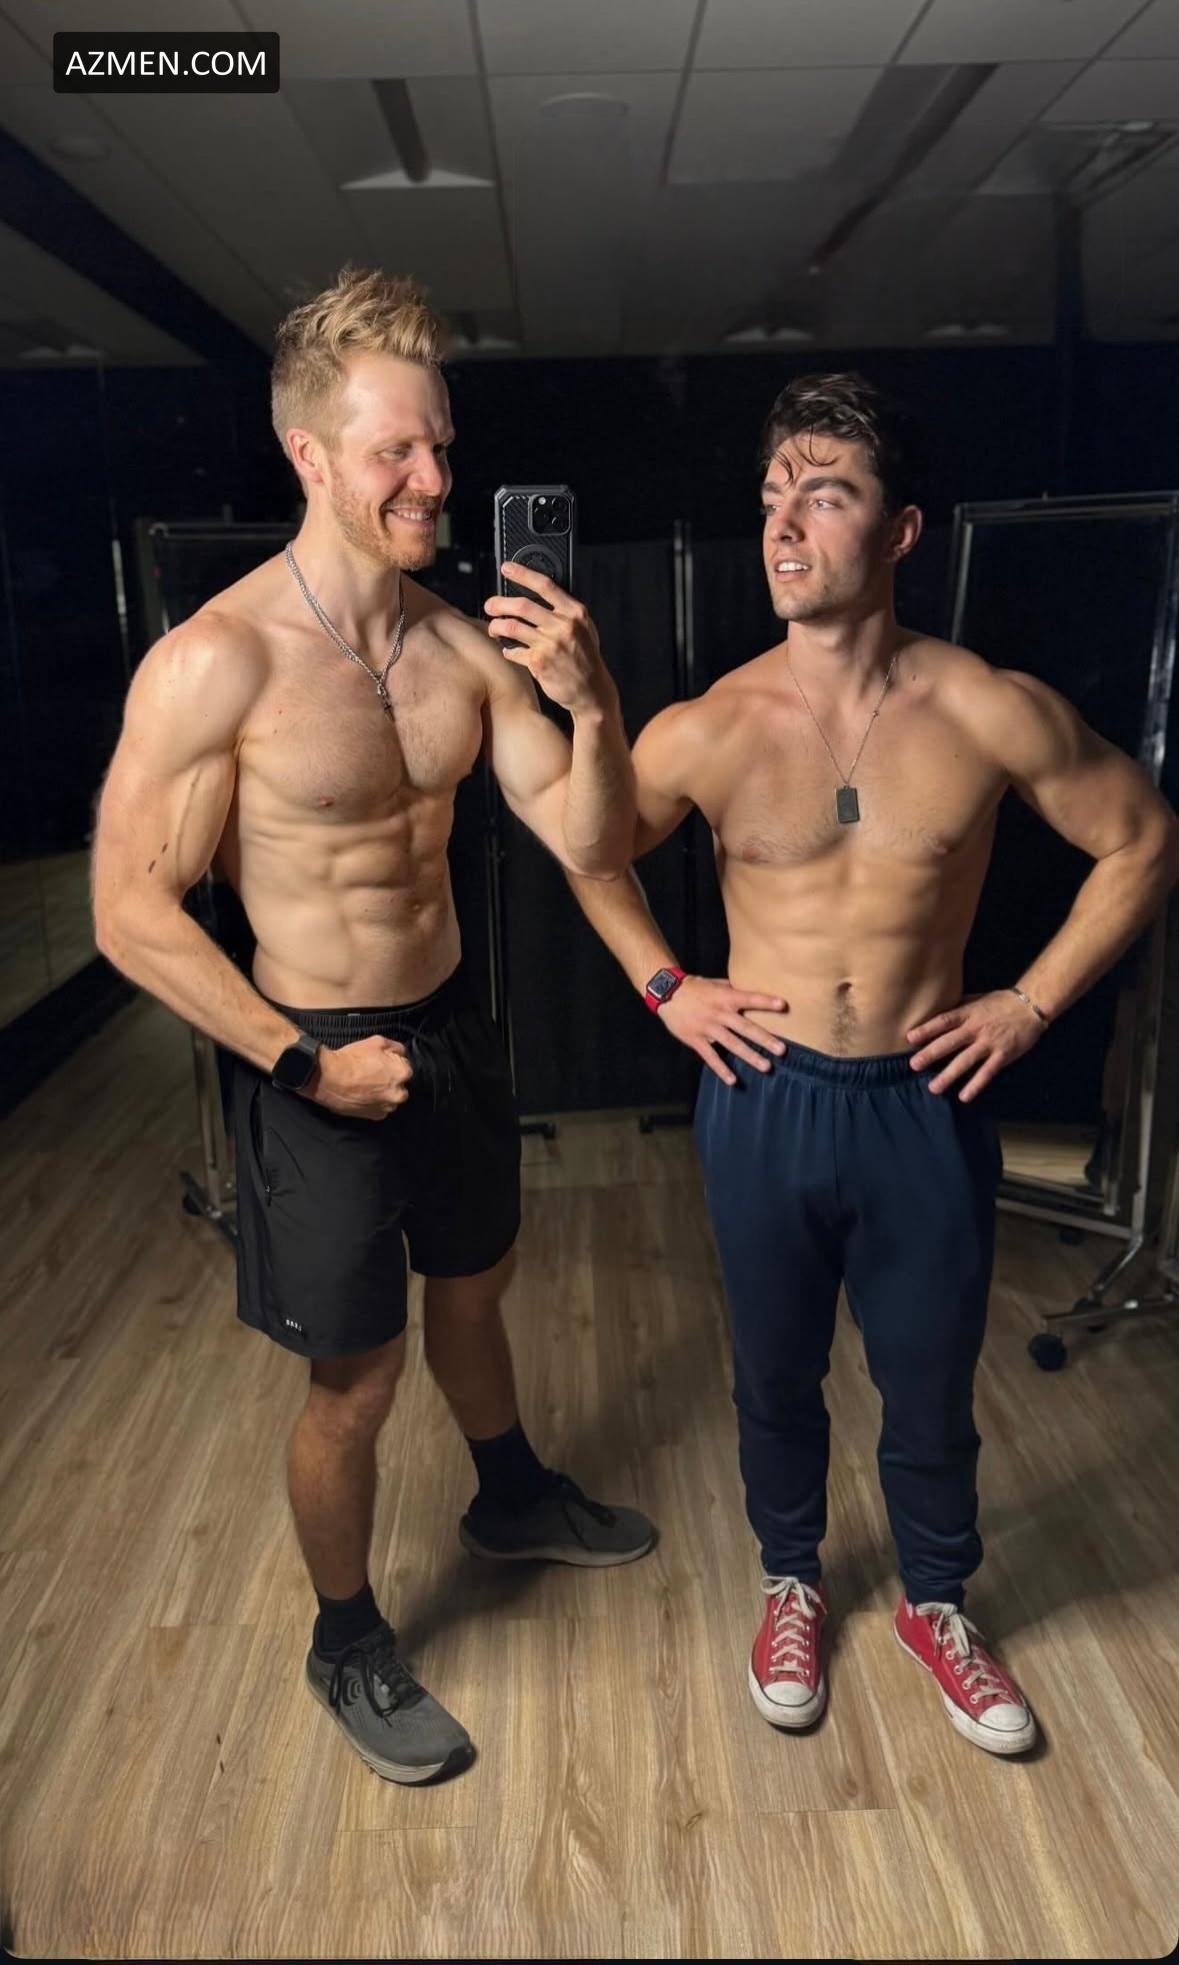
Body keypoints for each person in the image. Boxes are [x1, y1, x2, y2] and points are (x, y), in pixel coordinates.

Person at [558, 372, 1179, 1757]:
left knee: (928, 1382)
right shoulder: (711, 723)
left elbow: (1143, 839)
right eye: (773, 496)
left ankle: (937, 1602)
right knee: (774, 1376)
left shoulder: (985, 707)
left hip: (923, 1102)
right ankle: (792, 1582)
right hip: (764, 1099)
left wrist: (1029, 1002)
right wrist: (666, 986)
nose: (784, 525)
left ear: (899, 532)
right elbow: (592, 852)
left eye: (824, 496)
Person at [92, 267, 655, 1789]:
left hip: (451, 1026)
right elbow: (129, 912)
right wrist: (303, 1063)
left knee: (476, 1292)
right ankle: (345, 1638)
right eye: (397, 449)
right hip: (313, 1048)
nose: (433, 478)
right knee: (356, 1380)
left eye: (441, 445)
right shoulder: (218, 662)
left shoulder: (463, 650)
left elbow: (591, 838)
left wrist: (594, 704)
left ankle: (510, 1493)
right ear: (310, 455)